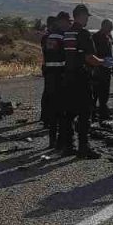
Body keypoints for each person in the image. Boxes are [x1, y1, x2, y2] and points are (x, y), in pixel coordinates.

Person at [59, 5, 102, 159]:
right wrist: (103, 62)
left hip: (67, 77)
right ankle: (84, 148)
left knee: (69, 113)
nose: (87, 20)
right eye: (86, 17)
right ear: (81, 16)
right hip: (81, 77)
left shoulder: (67, 33)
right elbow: (90, 58)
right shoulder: (83, 34)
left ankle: (68, 146)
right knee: (85, 113)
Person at [41, 13, 68, 148]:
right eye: (68, 21)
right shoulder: (62, 37)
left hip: (50, 75)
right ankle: (61, 141)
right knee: (62, 110)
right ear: (62, 22)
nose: (69, 24)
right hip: (61, 76)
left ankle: (52, 140)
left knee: (52, 109)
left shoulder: (50, 37)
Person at [92, 19, 113, 120]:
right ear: (103, 26)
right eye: (109, 26)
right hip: (97, 70)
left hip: (106, 70)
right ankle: (92, 115)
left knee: (105, 94)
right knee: (95, 94)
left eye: (112, 26)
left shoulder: (108, 38)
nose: (111, 28)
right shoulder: (95, 37)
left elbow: (109, 55)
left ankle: (103, 114)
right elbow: (92, 54)